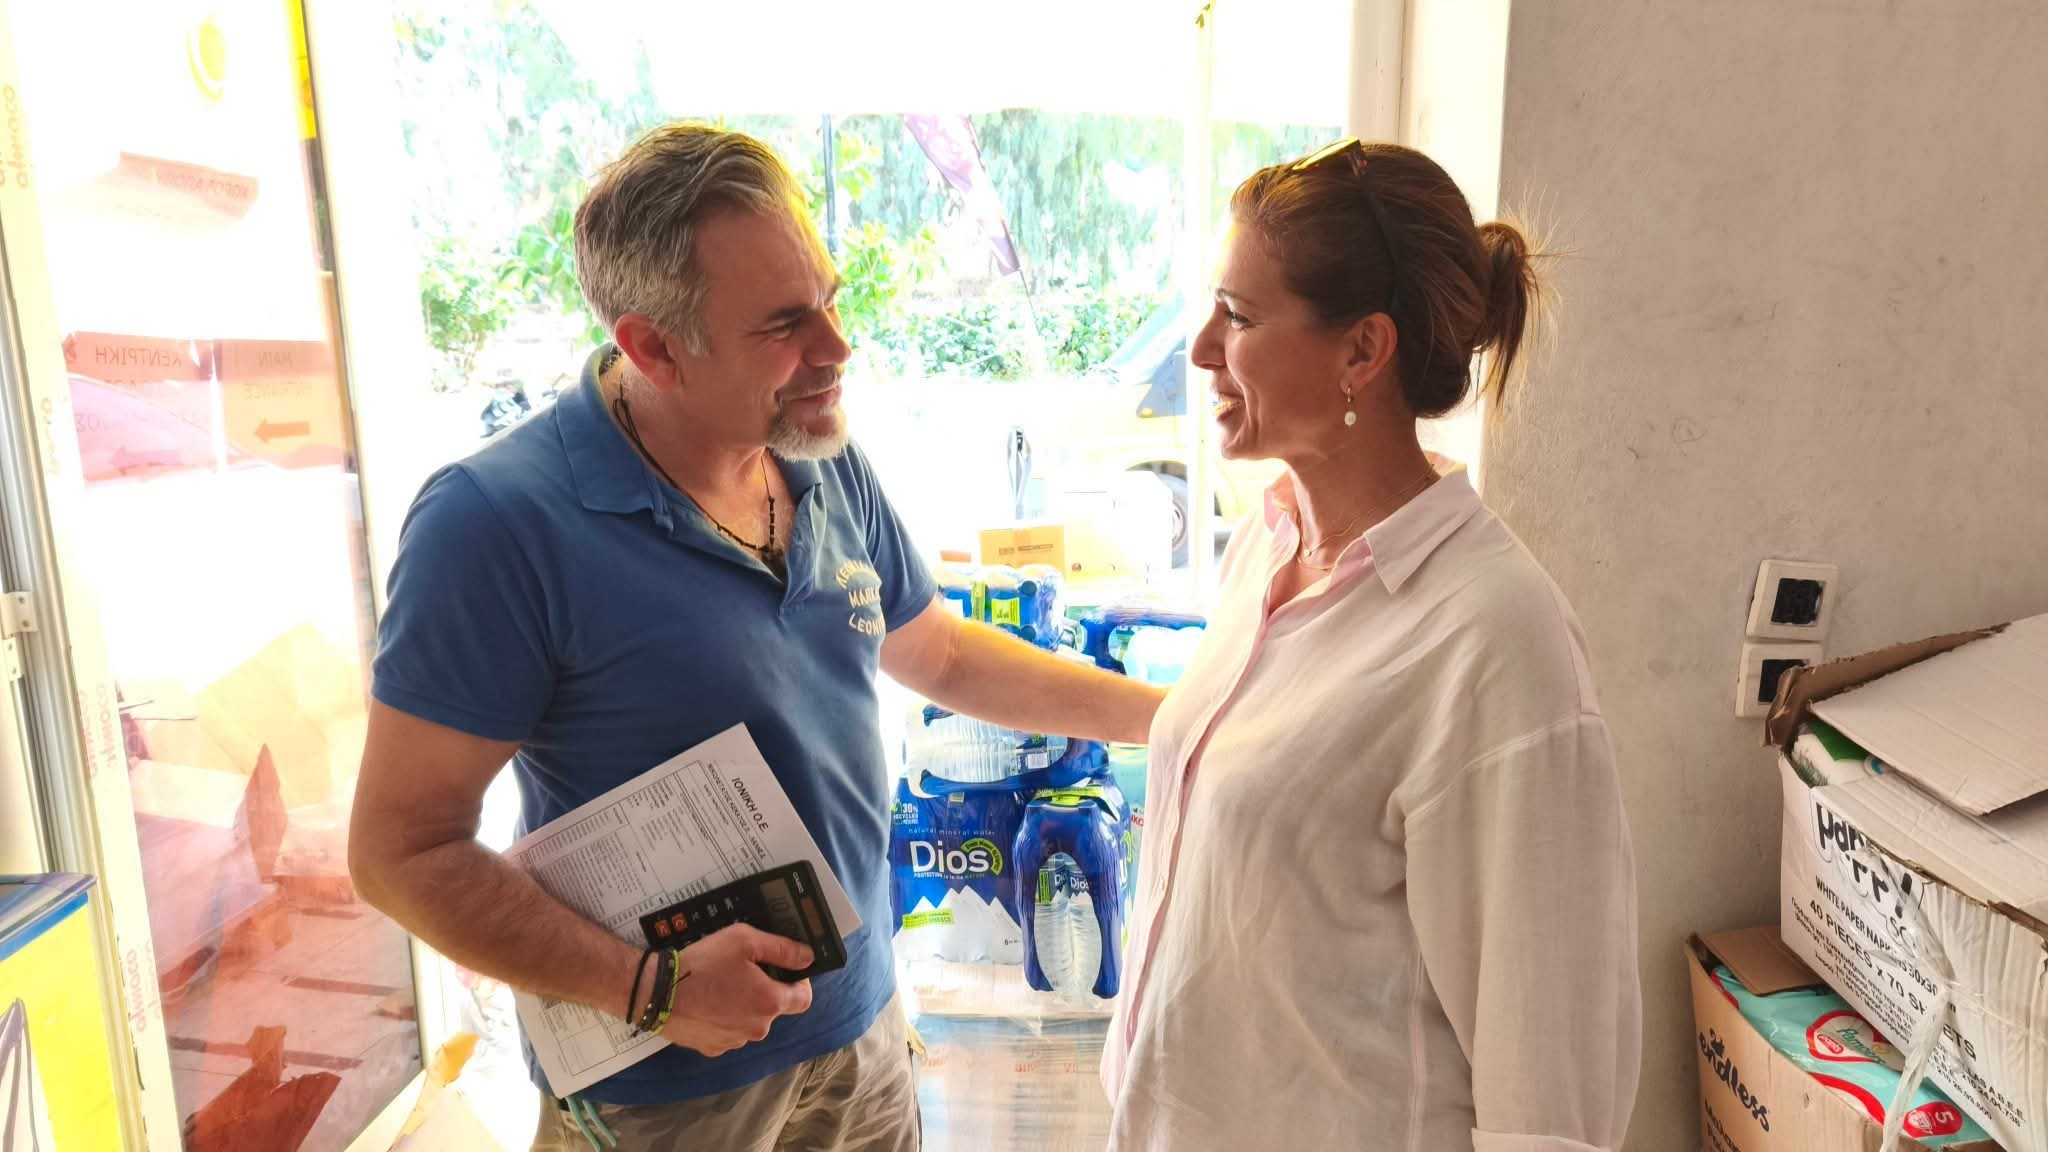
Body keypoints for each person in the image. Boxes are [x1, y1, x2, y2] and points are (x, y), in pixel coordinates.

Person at [347, 124, 1164, 1152]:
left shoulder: (816, 453)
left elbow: (942, 656)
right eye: (785, 324)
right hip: (666, 1089)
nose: (838, 347)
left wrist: (1178, 715)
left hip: (862, 1031)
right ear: (652, 347)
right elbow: (400, 852)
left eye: (829, 299)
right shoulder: (495, 524)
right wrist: (649, 987)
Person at [1101, 138, 1641, 1151]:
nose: (1201, 349)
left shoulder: (1492, 639)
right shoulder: (1266, 544)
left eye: (1239, 316)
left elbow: (1549, 1090)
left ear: (1361, 352)